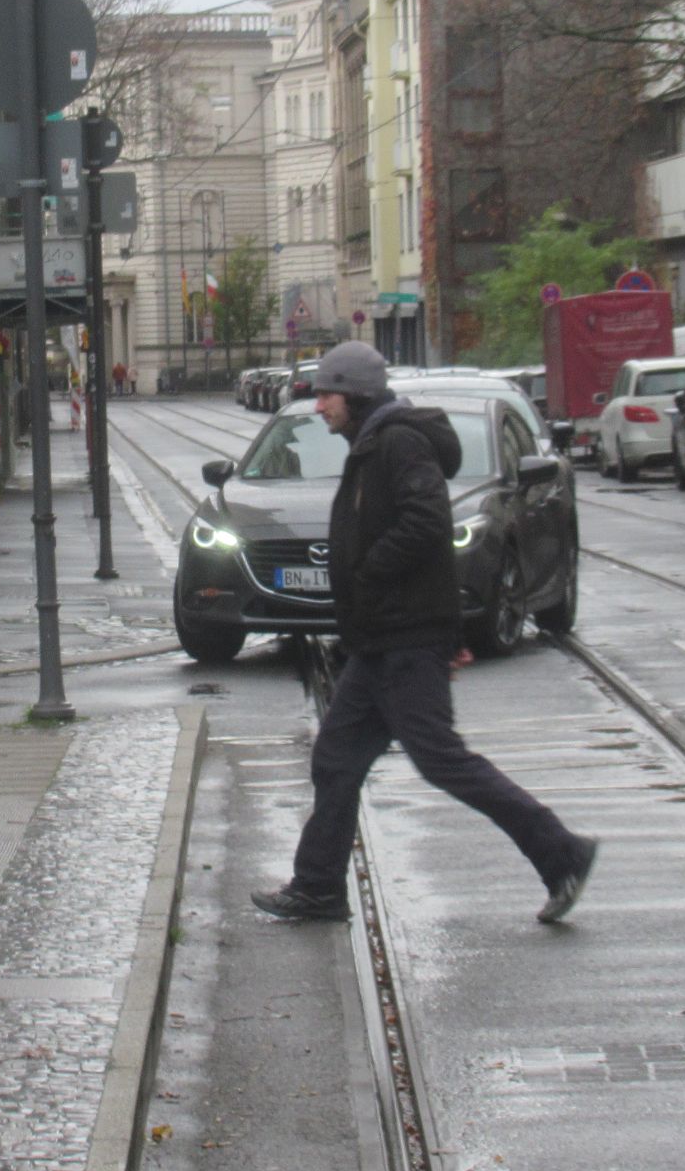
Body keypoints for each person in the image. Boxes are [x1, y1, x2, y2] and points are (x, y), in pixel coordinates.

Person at [253, 341, 598, 926]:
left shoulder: (399, 442)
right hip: (380, 642)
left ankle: (562, 853)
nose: (319, 407)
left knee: (442, 761)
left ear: (356, 394)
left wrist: (371, 573)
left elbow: (426, 523)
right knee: (336, 759)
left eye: (327, 395)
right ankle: (318, 888)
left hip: (405, 641)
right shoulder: (374, 441)